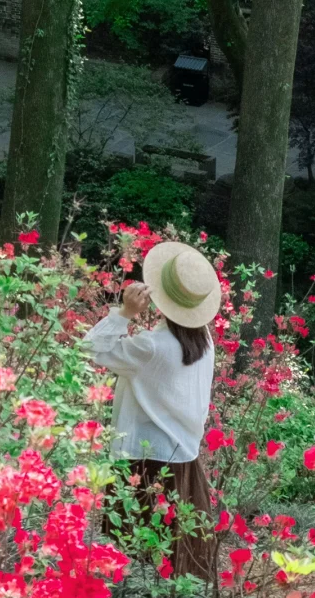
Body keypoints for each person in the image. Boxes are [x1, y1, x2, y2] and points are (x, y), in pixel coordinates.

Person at [84, 241, 221, 578]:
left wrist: (125, 313)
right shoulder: (203, 339)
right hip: (183, 460)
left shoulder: (151, 346)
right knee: (179, 556)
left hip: (143, 461)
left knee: (131, 553)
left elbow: (91, 349)